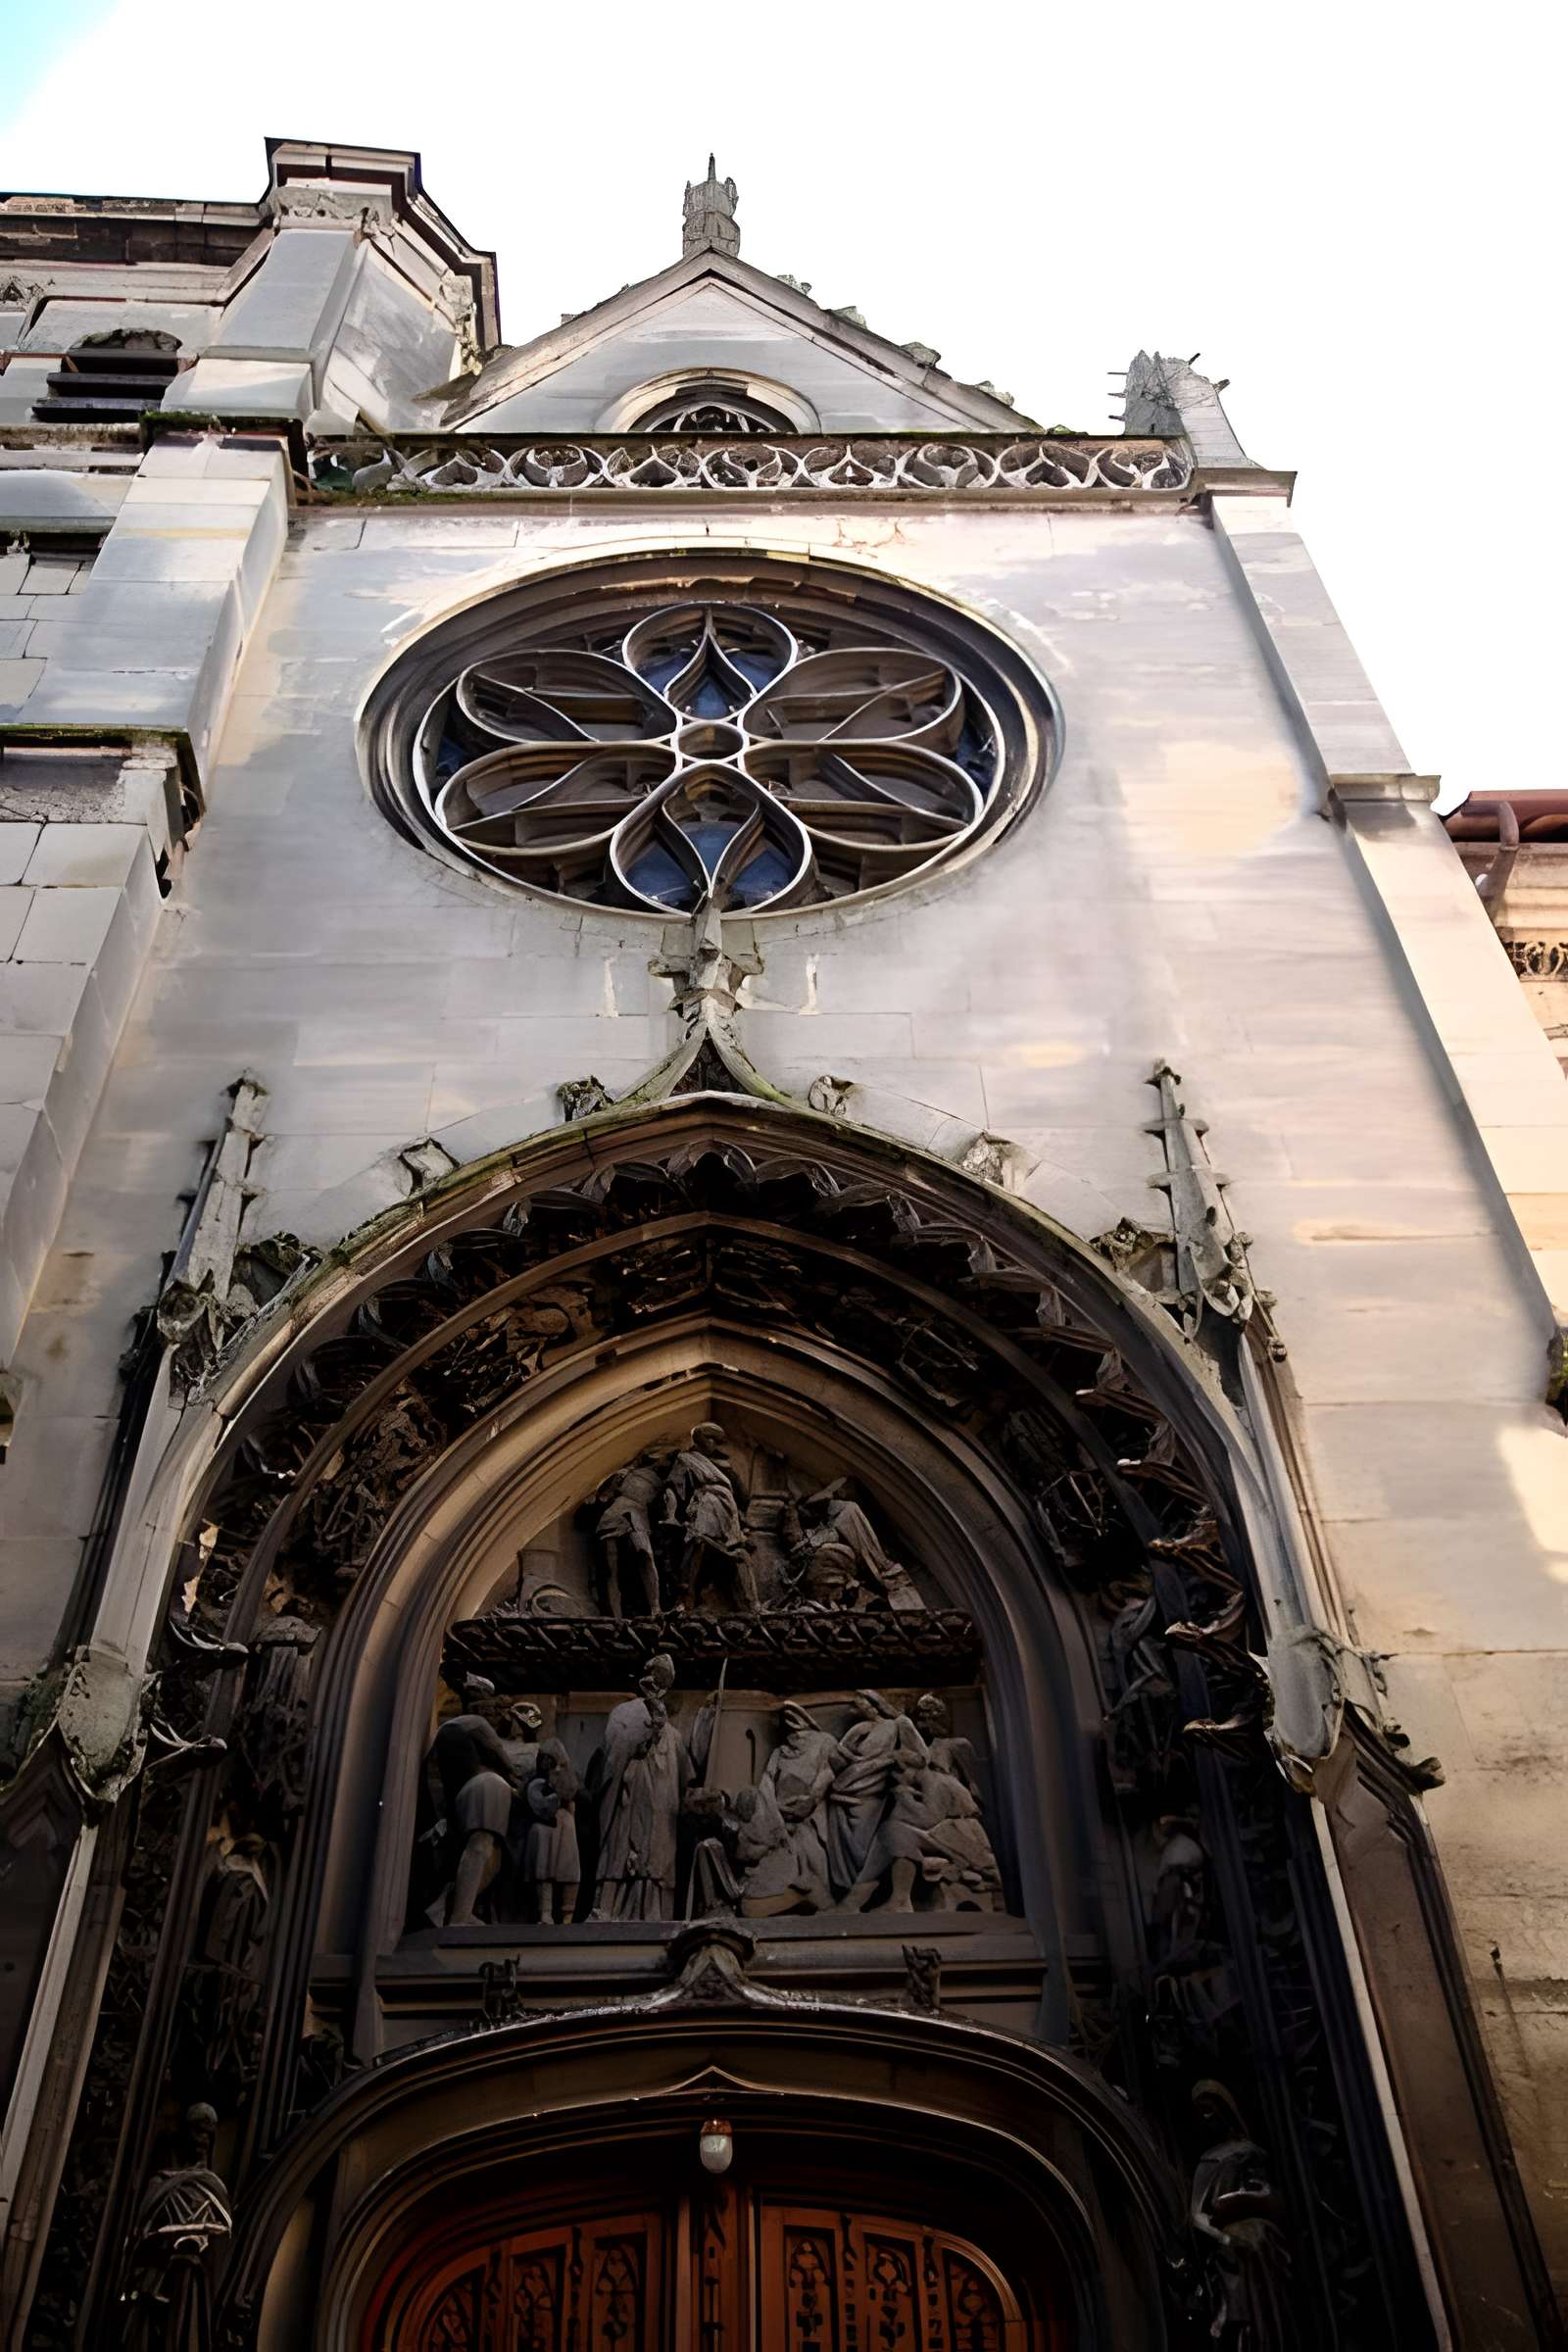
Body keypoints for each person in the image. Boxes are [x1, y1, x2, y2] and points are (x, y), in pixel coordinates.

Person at [1188, 2082, 1295, 2350]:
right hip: (1233, 2253)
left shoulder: (1253, 2152)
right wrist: (1226, 2241)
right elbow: (1196, 2216)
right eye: (1200, 2113)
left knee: (1272, 2313)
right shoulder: (1209, 2161)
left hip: (1265, 2243)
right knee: (1242, 2321)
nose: (1205, 2118)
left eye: (1210, 2110)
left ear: (1226, 2110)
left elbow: (1275, 2196)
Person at [589, 1654, 694, 1920]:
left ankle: (654, 1912)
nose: (659, 1684)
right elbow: (613, 1755)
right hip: (628, 1799)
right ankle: (607, 1909)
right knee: (620, 1851)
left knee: (657, 1857)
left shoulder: (675, 1736)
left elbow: (685, 1781)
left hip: (660, 1807)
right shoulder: (626, 1713)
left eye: (665, 1680)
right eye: (656, 1677)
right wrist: (644, 1733)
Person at [423, 1678, 523, 1927]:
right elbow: (501, 1756)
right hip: (487, 1788)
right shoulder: (474, 1723)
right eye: (490, 1710)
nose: (494, 1716)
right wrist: (519, 1781)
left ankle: (444, 1907)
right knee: (481, 1847)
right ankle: (459, 1914)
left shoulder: (446, 1731)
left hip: (464, 1795)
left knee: (492, 1856)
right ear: (479, 1708)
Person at [825, 1690, 924, 1899]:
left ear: (877, 1704)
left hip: (875, 1792)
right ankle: (848, 1890)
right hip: (849, 1787)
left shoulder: (897, 1725)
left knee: (865, 1842)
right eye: (859, 1707)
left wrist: (894, 1757)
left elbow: (921, 1758)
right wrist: (848, 1759)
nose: (863, 1710)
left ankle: (862, 1891)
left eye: (865, 1705)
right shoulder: (860, 1728)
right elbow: (838, 1756)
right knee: (849, 1842)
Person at [663, 1424, 759, 1612]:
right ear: (701, 1439)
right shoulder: (686, 1459)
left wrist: (743, 1521)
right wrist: (671, 1515)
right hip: (706, 1503)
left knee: (737, 1552)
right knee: (697, 1543)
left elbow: (742, 1495)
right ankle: (684, 1598)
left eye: (716, 1441)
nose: (714, 1444)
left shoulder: (723, 1467)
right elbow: (672, 1488)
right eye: (711, 1439)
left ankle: (752, 1604)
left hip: (726, 1507)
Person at [593, 1446, 674, 1616]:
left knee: (645, 1555)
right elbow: (603, 1495)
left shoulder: (662, 1482)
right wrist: (619, 1478)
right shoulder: (629, 1474)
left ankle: (655, 1608)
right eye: (665, 1458)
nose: (666, 1462)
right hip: (616, 1515)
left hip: (638, 1517)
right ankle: (615, 1616)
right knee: (611, 1569)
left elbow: (663, 1510)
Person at [523, 1737, 581, 1924]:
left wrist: (562, 1772)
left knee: (569, 1871)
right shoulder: (535, 1782)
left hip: (564, 1826)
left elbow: (572, 1792)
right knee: (543, 1870)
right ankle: (545, 1912)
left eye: (551, 1758)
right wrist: (554, 1795)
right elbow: (540, 1806)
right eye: (544, 1758)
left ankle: (567, 1915)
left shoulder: (566, 1777)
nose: (547, 1762)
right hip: (543, 1828)